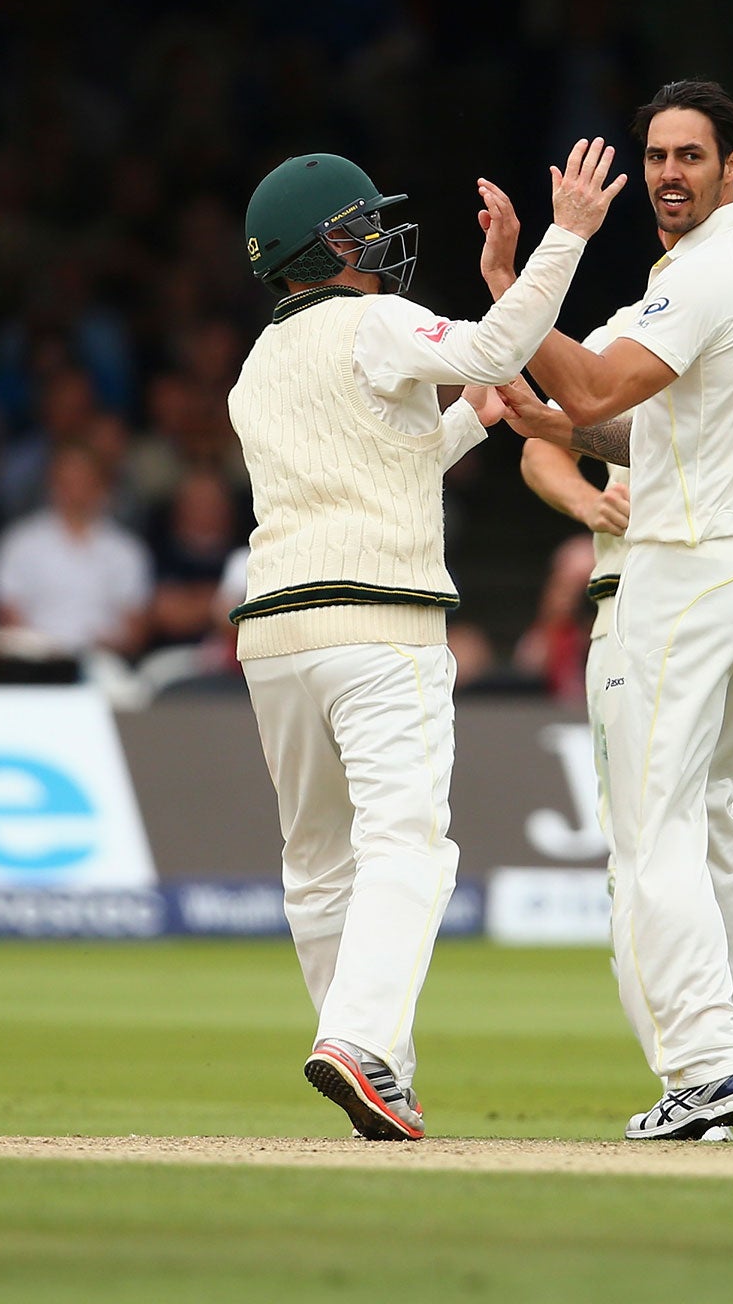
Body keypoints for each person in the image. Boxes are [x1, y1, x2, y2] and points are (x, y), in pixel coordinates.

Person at [229, 142, 623, 1140]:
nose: (376, 239)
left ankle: (376, 1069)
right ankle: (358, 1043)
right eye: (361, 225)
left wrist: (472, 426)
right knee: (405, 842)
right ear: (327, 244)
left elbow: (379, 464)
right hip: (377, 621)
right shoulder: (375, 320)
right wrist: (565, 236)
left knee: (316, 862)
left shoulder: (257, 363)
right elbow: (492, 352)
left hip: (274, 630)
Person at [485, 82, 733, 1140]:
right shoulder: (724, 277)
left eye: (688, 156)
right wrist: (527, 362)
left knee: (651, 832)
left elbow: (589, 394)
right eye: (656, 155)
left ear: (730, 168)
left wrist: (541, 260)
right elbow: (612, 428)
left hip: (689, 578)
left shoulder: (710, 272)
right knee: (711, 830)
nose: (668, 172)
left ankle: (708, 1066)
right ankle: (726, 1061)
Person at [0, 441, 152, 657]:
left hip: (103, 664)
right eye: (67, 480)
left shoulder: (126, 550)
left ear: (101, 485)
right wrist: (44, 653)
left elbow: (136, 631)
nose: (74, 489)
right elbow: (6, 618)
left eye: (83, 479)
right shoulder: (18, 543)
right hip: (34, 664)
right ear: (52, 484)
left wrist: (100, 649)